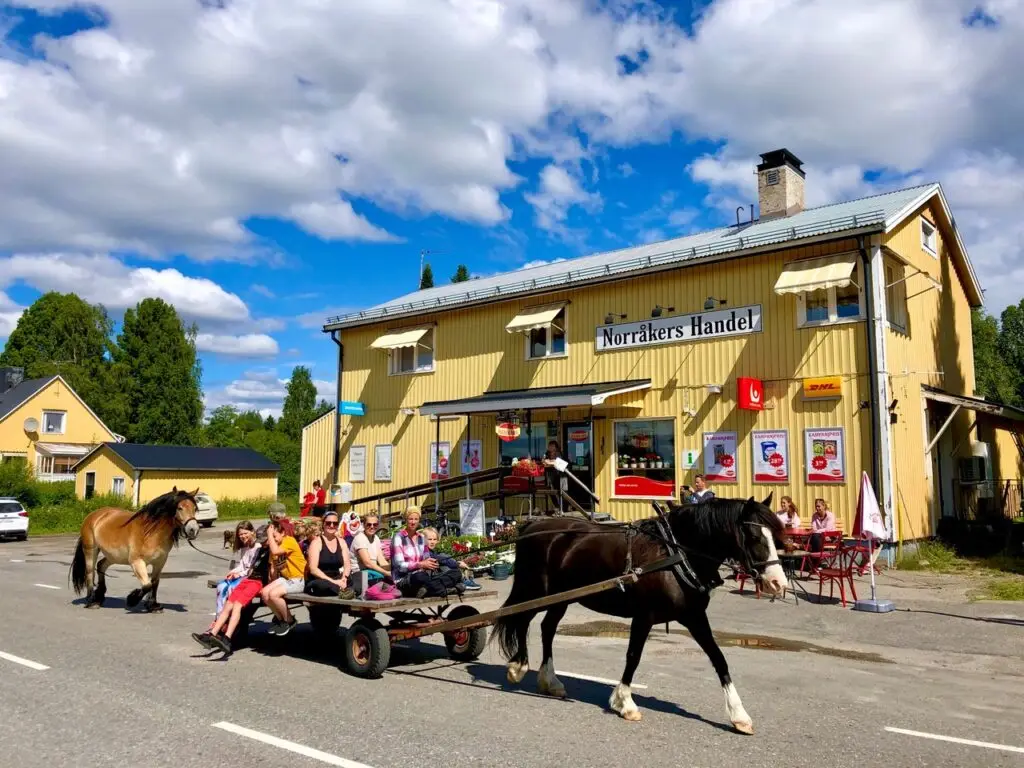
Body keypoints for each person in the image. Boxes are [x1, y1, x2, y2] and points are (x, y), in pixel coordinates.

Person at [192, 524, 269, 656]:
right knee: (228, 605)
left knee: (237, 606)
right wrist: (236, 572)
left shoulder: (269, 550)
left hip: (256, 583)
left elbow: (271, 570)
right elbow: (247, 565)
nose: (261, 542)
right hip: (248, 580)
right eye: (260, 539)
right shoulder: (260, 549)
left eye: (264, 539)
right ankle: (212, 634)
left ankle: (227, 638)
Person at [260, 519, 307, 636]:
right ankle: (280, 619)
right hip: (286, 579)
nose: (272, 539)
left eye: (274, 536)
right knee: (265, 593)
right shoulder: (274, 545)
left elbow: (275, 551)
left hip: (298, 579)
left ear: (283, 533)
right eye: (271, 537)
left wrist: (270, 536)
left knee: (274, 595)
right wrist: (271, 583)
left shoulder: (289, 541)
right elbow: (273, 568)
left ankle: (289, 621)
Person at [212, 521, 259, 617]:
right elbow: (242, 565)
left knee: (231, 588)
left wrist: (239, 574)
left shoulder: (257, 547)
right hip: (243, 574)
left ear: (252, 532)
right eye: (240, 534)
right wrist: (232, 572)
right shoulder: (244, 547)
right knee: (221, 586)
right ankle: (219, 616)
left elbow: (252, 568)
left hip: (251, 577)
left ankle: (230, 616)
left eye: (245, 533)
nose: (243, 536)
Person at [305, 510, 355, 599]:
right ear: (323, 524)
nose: (331, 526)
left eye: (335, 523)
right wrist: (334, 582)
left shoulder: (342, 542)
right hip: (320, 579)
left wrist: (344, 578)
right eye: (328, 523)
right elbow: (313, 569)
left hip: (337, 578)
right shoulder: (316, 543)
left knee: (358, 577)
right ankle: (344, 590)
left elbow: (347, 565)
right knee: (321, 586)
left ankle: (343, 589)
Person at [390, 506, 436, 597]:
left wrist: (432, 563)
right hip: (404, 580)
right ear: (406, 520)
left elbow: (427, 558)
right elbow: (399, 566)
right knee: (420, 577)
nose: (413, 522)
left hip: (422, 576)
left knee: (455, 573)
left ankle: (429, 588)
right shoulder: (398, 537)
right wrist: (419, 565)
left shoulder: (421, 537)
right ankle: (441, 588)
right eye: (410, 519)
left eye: (416, 519)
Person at [422, 526, 479, 592]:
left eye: (434, 539)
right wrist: (457, 564)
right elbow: (439, 559)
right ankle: (461, 581)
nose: (432, 542)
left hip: (434, 576)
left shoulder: (431, 551)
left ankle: (461, 581)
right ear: (424, 540)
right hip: (428, 578)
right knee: (445, 560)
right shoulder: (425, 551)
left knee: (444, 556)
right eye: (430, 539)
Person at [349, 512, 392, 593]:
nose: (372, 527)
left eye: (375, 525)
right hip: (360, 574)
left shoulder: (376, 538)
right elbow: (367, 563)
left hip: (373, 573)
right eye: (369, 524)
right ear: (363, 525)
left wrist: (392, 569)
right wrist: (386, 573)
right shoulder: (360, 538)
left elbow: (381, 560)